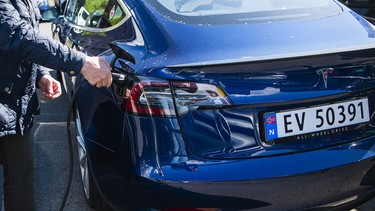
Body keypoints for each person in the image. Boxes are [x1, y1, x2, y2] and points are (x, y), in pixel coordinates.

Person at [0, 0, 113, 210]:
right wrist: (81, 63)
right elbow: (16, 35)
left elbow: (25, 42)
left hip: (15, 108)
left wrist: (40, 76)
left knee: (21, 186)